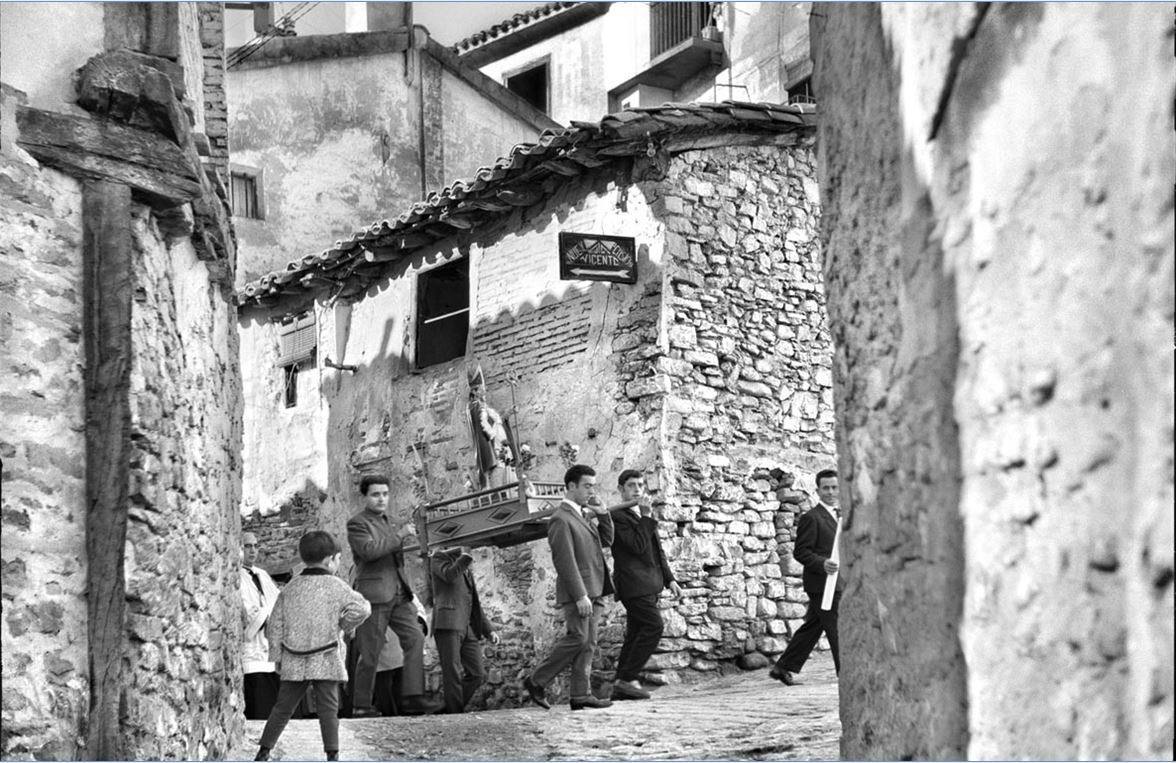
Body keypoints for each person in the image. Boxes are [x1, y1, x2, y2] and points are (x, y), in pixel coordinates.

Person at [254, 531, 371, 762]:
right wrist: (345, 624)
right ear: (330, 560)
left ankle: (264, 751)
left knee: (283, 707)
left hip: (293, 658)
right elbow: (363, 608)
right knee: (329, 707)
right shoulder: (337, 586)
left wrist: (277, 658)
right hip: (326, 656)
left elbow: (274, 626)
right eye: (338, 559)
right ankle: (332, 754)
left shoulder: (289, 589)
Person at [521, 464, 615, 711]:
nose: (591, 491)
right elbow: (564, 561)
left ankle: (580, 694)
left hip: (596, 588)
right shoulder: (560, 519)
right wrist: (580, 595)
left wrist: (603, 514)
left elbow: (606, 541)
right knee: (579, 638)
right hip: (580, 592)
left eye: (593, 486)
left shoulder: (583, 515)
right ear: (571, 486)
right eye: (587, 486)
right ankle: (536, 680)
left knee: (589, 642)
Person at [346, 474, 442, 716]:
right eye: (376, 494)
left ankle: (411, 697)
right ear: (365, 497)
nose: (381, 499)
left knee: (415, 638)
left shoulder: (390, 522)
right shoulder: (357, 524)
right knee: (370, 654)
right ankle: (361, 706)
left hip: (399, 593)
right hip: (375, 595)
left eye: (385, 494)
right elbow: (369, 551)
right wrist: (400, 535)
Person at [608, 469, 681, 701]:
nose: (638, 489)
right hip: (633, 585)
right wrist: (647, 517)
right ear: (621, 490)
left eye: (640, 485)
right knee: (654, 627)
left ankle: (621, 683)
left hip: (651, 585)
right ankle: (627, 678)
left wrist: (670, 580)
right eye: (631, 485)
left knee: (636, 632)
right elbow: (637, 547)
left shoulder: (641, 516)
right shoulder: (618, 517)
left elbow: (656, 551)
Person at [770, 469, 843, 686]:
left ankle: (783, 667)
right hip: (822, 584)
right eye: (826, 488)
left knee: (813, 626)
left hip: (839, 581)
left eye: (834, 487)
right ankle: (847, 673)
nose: (831, 492)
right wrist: (822, 563)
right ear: (818, 490)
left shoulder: (843, 515)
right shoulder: (812, 518)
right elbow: (800, 552)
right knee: (838, 627)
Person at [429, 546, 500, 713]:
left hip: (467, 626)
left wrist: (488, 630)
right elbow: (449, 576)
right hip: (448, 623)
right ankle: (454, 712)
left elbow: (474, 602)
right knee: (452, 671)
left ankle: (449, 708)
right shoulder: (438, 558)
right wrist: (466, 556)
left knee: (478, 674)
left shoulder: (464, 564)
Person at [241, 532, 281, 719]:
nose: (253, 550)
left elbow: (277, 601)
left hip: (269, 648)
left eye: (255, 546)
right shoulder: (236, 576)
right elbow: (246, 611)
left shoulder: (262, 574)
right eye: (248, 546)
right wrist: (267, 615)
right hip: (252, 651)